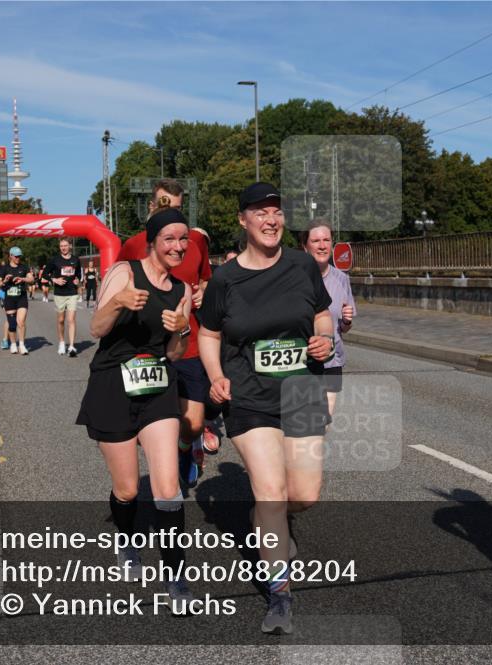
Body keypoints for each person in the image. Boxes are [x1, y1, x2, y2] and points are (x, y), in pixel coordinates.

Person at [199, 182, 335, 634]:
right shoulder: (225, 280)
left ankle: (265, 519)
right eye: (260, 212)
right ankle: (280, 595)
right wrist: (217, 375)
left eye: (276, 211)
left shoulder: (302, 265)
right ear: (243, 221)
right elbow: (209, 334)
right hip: (249, 398)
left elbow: (321, 312)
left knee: (305, 495)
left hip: (302, 391)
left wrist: (325, 337)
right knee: (272, 492)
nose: (271, 219)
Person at [76, 207, 194, 612]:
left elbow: (176, 352)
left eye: (184, 239)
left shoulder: (183, 291)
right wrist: (118, 303)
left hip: (158, 384)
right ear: (153, 241)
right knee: (127, 489)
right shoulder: (124, 272)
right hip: (113, 383)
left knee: (167, 487)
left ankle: (176, 573)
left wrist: (180, 330)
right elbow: (96, 329)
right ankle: (126, 543)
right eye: (170, 239)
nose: (178, 246)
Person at [118, 179, 216, 484]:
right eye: (164, 206)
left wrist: (203, 294)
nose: (171, 214)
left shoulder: (195, 242)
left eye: (177, 208)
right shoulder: (133, 245)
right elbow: (118, 288)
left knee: (194, 423)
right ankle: (164, 479)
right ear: (151, 206)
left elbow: (206, 281)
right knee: (144, 427)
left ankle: (186, 447)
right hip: (147, 349)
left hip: (188, 344)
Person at [301, 219, 356, 417]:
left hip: (333, 361)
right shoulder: (294, 278)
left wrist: (347, 321)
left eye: (326, 240)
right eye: (315, 241)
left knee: (324, 420)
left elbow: (343, 328)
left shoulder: (342, 278)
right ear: (305, 246)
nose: (322, 245)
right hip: (302, 362)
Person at [44, 237, 82, 357]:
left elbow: (78, 275)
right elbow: (45, 274)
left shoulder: (76, 260)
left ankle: (71, 346)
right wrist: (55, 279)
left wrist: (77, 281)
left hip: (72, 293)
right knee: (61, 320)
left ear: (70, 246)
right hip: (60, 294)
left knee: (71, 320)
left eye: (65, 246)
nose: (63, 248)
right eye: (61, 246)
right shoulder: (55, 260)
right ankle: (61, 342)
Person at [0, 247, 34, 355]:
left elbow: (31, 279)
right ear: (10, 256)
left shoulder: (24, 267)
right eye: (16, 256)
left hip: (21, 298)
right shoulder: (4, 268)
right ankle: (13, 344)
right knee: (12, 324)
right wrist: (5, 281)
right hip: (9, 299)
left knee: (21, 322)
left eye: (19, 256)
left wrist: (23, 279)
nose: (18, 258)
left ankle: (22, 345)